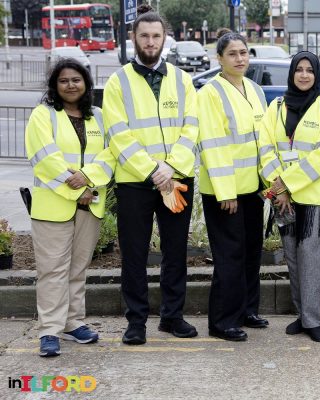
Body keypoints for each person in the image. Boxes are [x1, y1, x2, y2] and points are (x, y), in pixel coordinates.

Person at [102, 4, 199, 345]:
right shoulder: (118, 82)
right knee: (134, 254)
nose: (150, 41)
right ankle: (136, 322)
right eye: (144, 35)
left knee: (175, 252)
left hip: (175, 180)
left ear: (165, 39)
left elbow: (192, 127)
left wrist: (170, 167)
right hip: (135, 183)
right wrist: (153, 169)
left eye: (156, 35)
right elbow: (117, 133)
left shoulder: (183, 79)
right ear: (134, 38)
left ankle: (172, 317)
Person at [25, 59, 115, 356]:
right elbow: (44, 157)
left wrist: (89, 180)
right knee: (52, 270)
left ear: (86, 84)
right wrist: (75, 189)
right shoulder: (43, 115)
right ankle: (50, 329)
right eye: (64, 80)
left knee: (78, 268)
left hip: (91, 204)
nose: (71, 85)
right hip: (54, 205)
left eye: (76, 79)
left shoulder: (99, 117)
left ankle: (73, 323)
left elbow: (110, 155)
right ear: (55, 86)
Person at [258, 51, 320, 343]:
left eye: (310, 70)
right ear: (291, 73)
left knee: (312, 259)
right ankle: (301, 314)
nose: (304, 75)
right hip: (284, 198)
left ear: (316, 75)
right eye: (299, 70)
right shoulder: (276, 106)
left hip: (316, 195)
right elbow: (265, 147)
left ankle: (312, 319)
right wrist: (278, 187)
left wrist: (286, 184)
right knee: (293, 258)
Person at [197, 33, 270, 342]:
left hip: (253, 188)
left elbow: (264, 141)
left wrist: (270, 183)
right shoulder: (210, 93)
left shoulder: (254, 90)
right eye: (232, 54)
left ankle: (246, 310)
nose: (240, 58)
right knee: (229, 256)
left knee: (252, 252)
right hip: (224, 192)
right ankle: (222, 321)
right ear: (219, 59)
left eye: (243, 53)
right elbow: (213, 145)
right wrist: (225, 191)